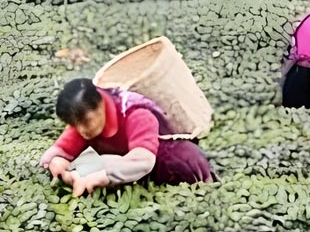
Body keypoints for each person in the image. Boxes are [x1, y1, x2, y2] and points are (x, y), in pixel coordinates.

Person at [37, 78, 215, 196]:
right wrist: (57, 163)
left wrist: (100, 176)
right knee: (82, 163)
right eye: (74, 124)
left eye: (85, 121)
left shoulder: (136, 115)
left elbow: (143, 160)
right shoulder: (83, 124)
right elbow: (60, 151)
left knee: (182, 159)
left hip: (159, 155)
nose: (81, 130)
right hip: (124, 158)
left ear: (101, 104)